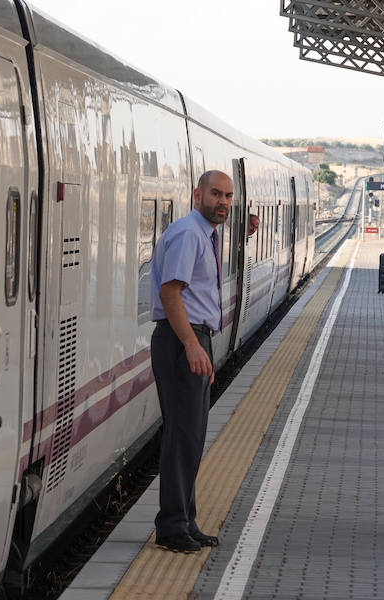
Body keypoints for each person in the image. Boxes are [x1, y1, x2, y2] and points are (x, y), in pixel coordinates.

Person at [149, 170, 232, 553]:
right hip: (181, 340)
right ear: (196, 194)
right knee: (182, 436)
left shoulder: (204, 234)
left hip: (194, 340)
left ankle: (185, 519)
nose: (223, 202)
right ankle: (171, 527)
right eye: (216, 194)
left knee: (191, 436)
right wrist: (191, 346)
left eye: (229, 196)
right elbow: (170, 293)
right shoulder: (188, 233)